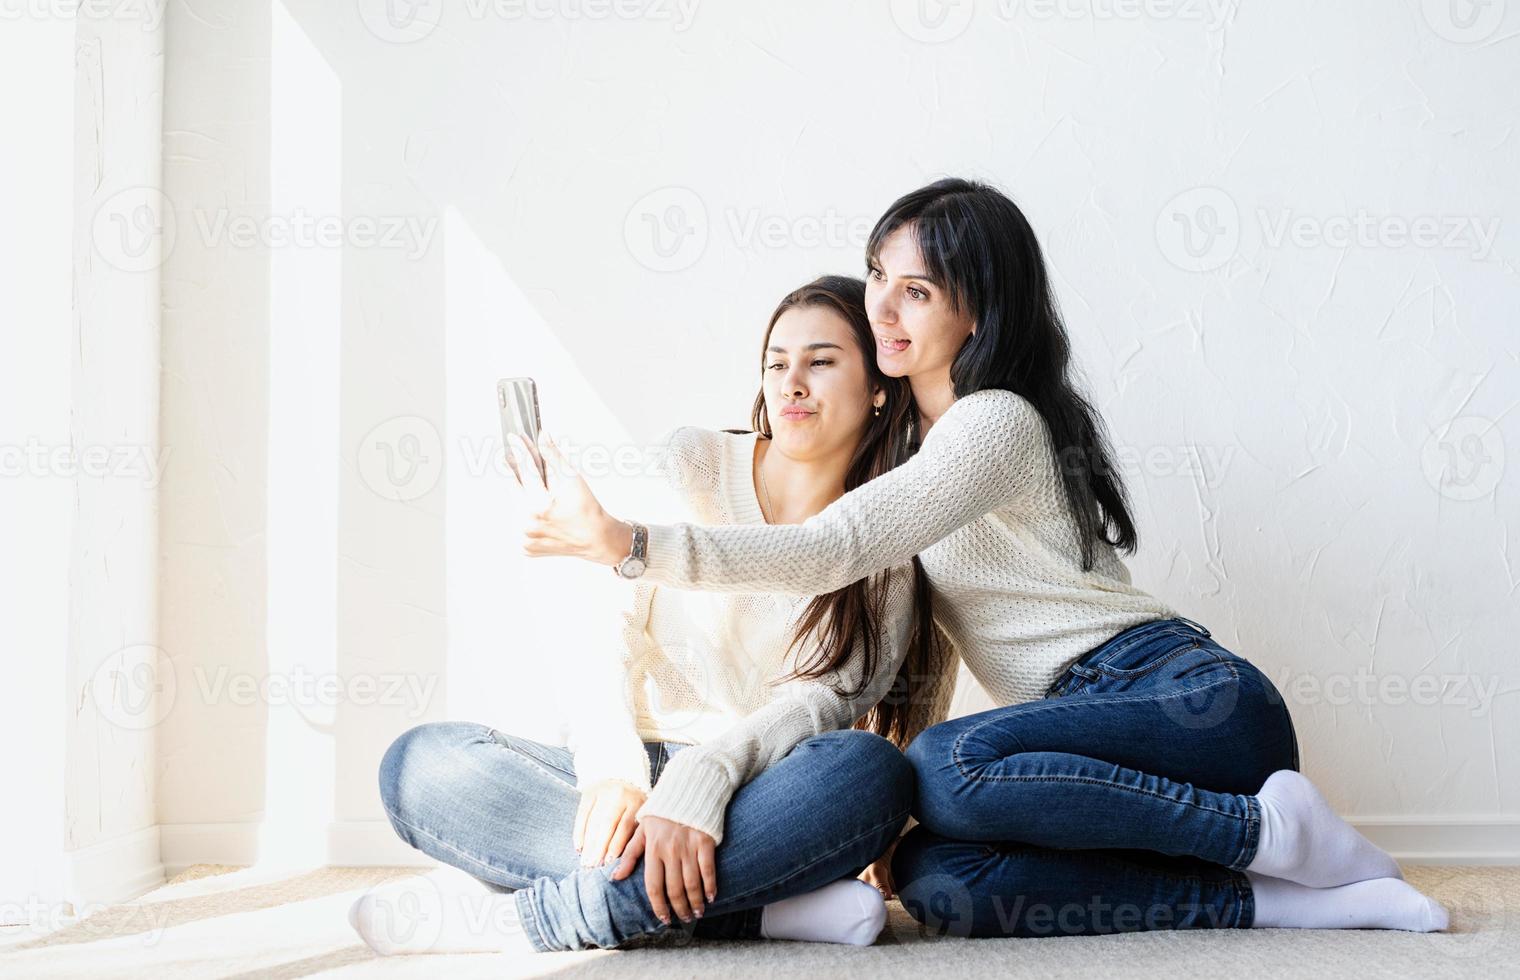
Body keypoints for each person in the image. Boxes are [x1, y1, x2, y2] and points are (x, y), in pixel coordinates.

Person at [514, 178, 1449, 937]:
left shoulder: (992, 422)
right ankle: (1272, 898)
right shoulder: (916, 457)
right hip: (1087, 737)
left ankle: (1263, 830)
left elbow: (828, 548)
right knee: (937, 874)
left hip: (1185, 703)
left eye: (915, 290)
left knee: (949, 771)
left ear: (977, 313)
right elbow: (935, 641)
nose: (882, 303)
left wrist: (628, 545)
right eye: (878, 274)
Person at [348, 275, 956, 955]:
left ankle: (537, 918)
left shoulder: (884, 551)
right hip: (636, 769)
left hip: (755, 792)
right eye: (776, 364)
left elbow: (815, 707)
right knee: (421, 765)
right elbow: (605, 627)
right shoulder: (693, 462)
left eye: (820, 362)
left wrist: (701, 788)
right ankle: (757, 911)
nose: (791, 384)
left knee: (868, 774)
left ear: (878, 387)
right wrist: (613, 771)